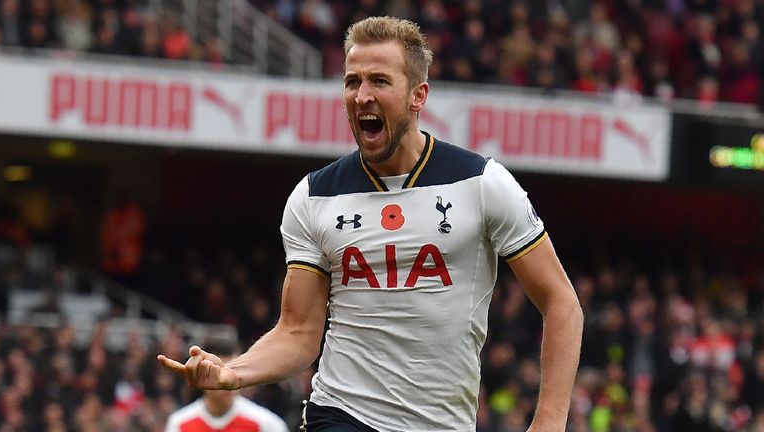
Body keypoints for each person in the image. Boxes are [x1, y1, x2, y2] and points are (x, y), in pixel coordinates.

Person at [159, 16, 584, 432]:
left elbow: (561, 302)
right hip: (340, 414)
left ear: (419, 95)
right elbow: (299, 331)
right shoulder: (314, 197)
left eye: (379, 81)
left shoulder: (481, 183)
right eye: (351, 82)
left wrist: (548, 421)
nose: (362, 95)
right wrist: (232, 373)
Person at [163, 341, 288, 432]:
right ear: (202, 373)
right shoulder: (180, 425)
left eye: (232, 372)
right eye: (219, 374)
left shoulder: (267, 424)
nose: (227, 382)